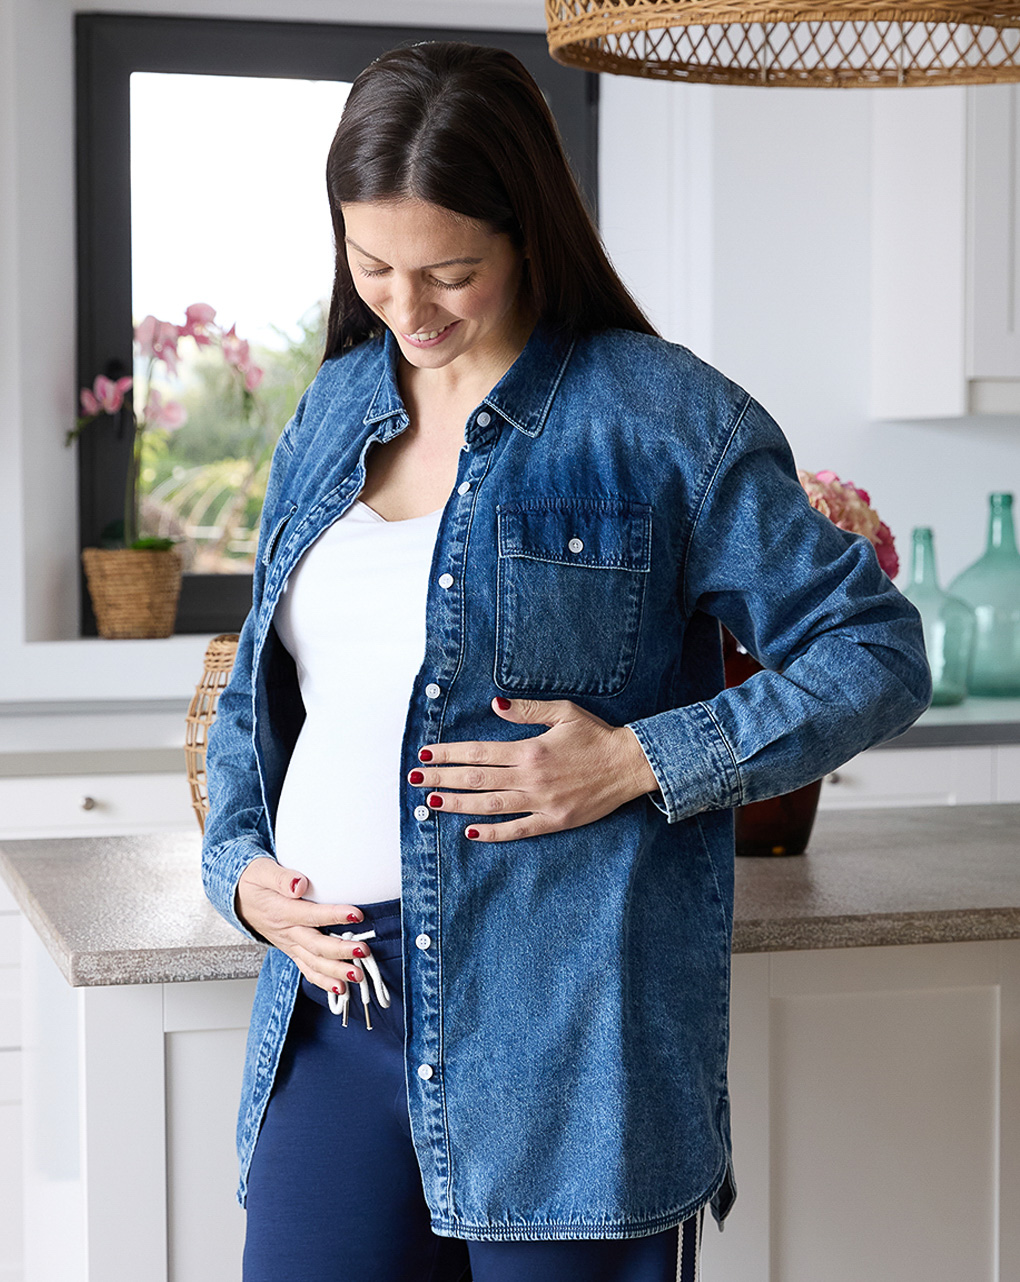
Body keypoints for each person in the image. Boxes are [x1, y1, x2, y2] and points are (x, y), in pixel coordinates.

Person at [202, 40, 931, 1282]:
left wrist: (642, 757)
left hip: (564, 1039)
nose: (409, 309)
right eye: (372, 267)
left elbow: (874, 648)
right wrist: (241, 870)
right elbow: (262, 699)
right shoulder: (330, 410)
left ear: (530, 232)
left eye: (452, 272)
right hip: (336, 1009)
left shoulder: (662, 421)